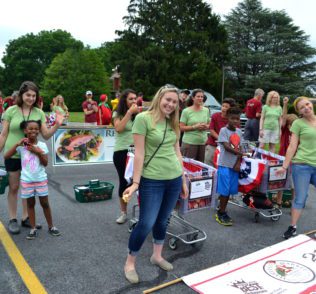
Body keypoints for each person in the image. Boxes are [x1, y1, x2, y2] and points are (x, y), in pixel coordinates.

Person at [122, 85, 188, 284]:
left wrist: (183, 179)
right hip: (152, 180)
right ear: (159, 98)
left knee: (163, 220)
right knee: (146, 223)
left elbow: (177, 152)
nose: (170, 104)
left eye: (175, 102)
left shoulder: (173, 122)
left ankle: (157, 256)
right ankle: (130, 263)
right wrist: (135, 183)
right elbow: (139, 153)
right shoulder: (143, 119)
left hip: (174, 178)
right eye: (168, 100)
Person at [0, 81, 64, 235]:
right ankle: (13, 219)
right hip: (14, 152)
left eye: (34, 95)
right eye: (28, 95)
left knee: (26, 187)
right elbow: (3, 134)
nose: (31, 98)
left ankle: (25, 217)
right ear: (22, 95)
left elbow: (46, 135)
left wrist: (57, 124)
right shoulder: (11, 111)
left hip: (31, 155)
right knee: (14, 187)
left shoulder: (38, 113)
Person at [4, 120, 60, 240]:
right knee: (30, 204)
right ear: (25, 131)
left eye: (36, 129)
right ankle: (33, 228)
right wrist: (17, 144)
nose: (33, 131)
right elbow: (6, 156)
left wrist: (37, 152)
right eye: (30, 129)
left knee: (44, 203)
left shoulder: (42, 145)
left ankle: (51, 226)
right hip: (27, 180)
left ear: (39, 131)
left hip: (40, 179)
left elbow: (45, 163)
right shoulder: (22, 147)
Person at [277, 97, 316, 239]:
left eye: (307, 104)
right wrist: (285, 166)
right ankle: (292, 227)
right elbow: (292, 146)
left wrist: (310, 98)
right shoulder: (298, 124)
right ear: (299, 112)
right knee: (301, 197)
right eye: (301, 107)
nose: (306, 107)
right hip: (302, 165)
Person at [216, 107, 248, 226]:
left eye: (238, 119)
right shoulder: (223, 131)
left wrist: (239, 161)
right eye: (232, 118)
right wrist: (241, 153)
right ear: (227, 118)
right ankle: (221, 212)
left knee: (229, 190)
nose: (235, 121)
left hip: (234, 165)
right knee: (225, 191)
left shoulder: (239, 132)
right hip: (224, 164)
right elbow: (226, 146)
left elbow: (240, 147)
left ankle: (221, 206)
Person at [112, 90, 139, 224]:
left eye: (135, 99)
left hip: (137, 151)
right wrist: (129, 113)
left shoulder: (138, 115)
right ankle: (123, 212)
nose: (134, 101)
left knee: (141, 181)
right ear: (124, 101)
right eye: (131, 99)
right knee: (125, 182)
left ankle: (144, 210)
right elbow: (119, 128)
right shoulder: (118, 114)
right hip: (122, 151)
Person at [274, 97, 298, 208]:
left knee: (292, 183)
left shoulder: (298, 133)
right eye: (289, 124)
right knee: (281, 181)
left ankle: (291, 201)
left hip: (294, 160)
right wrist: (285, 105)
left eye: (293, 125)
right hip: (283, 158)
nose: (291, 127)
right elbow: (283, 118)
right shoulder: (285, 131)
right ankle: (278, 202)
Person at [180, 89, 210, 162]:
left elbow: (209, 124)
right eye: (198, 96)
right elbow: (181, 127)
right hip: (189, 143)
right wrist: (194, 127)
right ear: (193, 98)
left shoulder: (206, 110)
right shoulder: (186, 111)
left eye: (202, 97)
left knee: (200, 168)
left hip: (202, 143)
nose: (200, 98)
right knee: (189, 168)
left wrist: (206, 127)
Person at [205, 98, 236, 166]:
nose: (223, 108)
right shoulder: (215, 116)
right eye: (223, 106)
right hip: (213, 144)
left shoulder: (234, 119)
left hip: (227, 147)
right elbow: (211, 130)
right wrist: (221, 139)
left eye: (226, 107)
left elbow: (235, 134)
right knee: (208, 164)